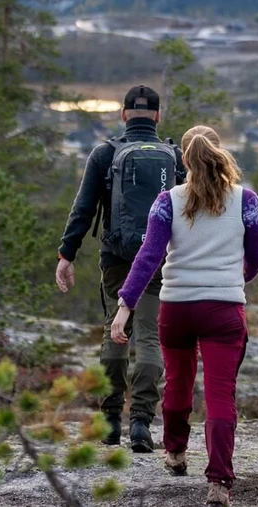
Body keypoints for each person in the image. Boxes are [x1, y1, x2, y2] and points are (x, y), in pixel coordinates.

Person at [111, 125, 258, 507]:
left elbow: (149, 257)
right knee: (219, 395)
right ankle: (218, 484)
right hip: (224, 311)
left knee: (178, 383)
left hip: (177, 308)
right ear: (218, 152)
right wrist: (234, 280)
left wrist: (124, 306)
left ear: (184, 160)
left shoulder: (168, 200)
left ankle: (176, 453)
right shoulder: (246, 200)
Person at [56, 84, 183, 453]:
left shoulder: (104, 154)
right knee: (148, 337)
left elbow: (84, 210)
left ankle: (110, 421)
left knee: (116, 330)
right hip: (159, 260)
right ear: (157, 116)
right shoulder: (175, 157)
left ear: (124, 115)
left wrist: (67, 254)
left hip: (116, 259)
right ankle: (141, 423)